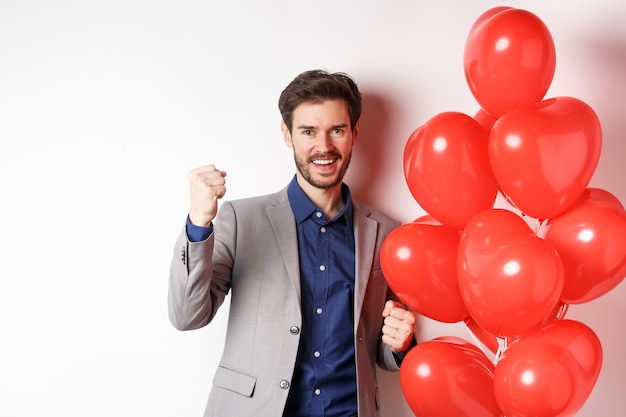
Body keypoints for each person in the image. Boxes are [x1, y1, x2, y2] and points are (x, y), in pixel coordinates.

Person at [168, 69, 417, 417]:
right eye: (308, 131)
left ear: (355, 133)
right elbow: (187, 316)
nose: (324, 146)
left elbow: (381, 352)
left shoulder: (387, 232)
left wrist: (402, 345)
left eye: (337, 130)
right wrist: (198, 222)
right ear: (287, 134)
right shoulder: (242, 220)